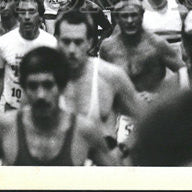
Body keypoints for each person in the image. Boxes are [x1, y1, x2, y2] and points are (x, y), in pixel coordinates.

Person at [0, 47, 113, 165]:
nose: (41, 95)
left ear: (61, 87)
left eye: (48, 85)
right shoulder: (7, 126)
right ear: (24, 88)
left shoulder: (84, 131)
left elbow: (119, 178)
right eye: (33, 86)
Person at [55, 10, 139, 148]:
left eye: (78, 42)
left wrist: (122, 151)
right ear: (57, 40)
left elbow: (145, 119)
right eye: (66, 41)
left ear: (89, 42)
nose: (71, 49)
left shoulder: (110, 76)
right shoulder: (43, 78)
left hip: (100, 165)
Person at [0, 0, 57, 121]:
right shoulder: (3, 44)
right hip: (13, 109)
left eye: (32, 12)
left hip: (43, 110)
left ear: (40, 17)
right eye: (22, 12)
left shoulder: (51, 44)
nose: (27, 17)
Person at [99, 0, 182, 97]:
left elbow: (184, 73)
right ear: (117, 19)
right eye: (125, 16)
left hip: (153, 108)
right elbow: (101, 80)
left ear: (142, 16)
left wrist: (160, 95)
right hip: (122, 107)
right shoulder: (108, 47)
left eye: (134, 15)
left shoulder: (157, 44)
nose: (130, 21)